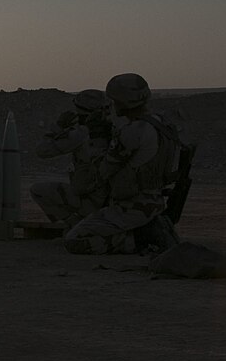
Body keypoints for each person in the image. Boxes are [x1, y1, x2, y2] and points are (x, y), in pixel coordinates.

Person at [63, 73, 181, 255]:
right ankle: (147, 231)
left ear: (123, 102)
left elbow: (100, 174)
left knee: (74, 240)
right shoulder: (160, 124)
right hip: (154, 201)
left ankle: (142, 238)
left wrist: (97, 138)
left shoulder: (132, 132)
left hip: (132, 207)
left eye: (113, 100)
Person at [30, 89, 112, 226]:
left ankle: (75, 224)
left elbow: (42, 150)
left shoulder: (80, 134)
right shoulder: (120, 130)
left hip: (92, 201)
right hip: (115, 201)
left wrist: (58, 127)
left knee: (38, 191)